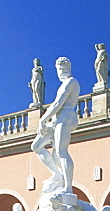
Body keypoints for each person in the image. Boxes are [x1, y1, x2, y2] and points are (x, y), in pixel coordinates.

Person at [30, 57, 80, 193]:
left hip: (66, 117)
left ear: (65, 68)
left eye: (59, 68)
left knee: (61, 151)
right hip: (56, 120)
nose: (59, 72)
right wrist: (48, 121)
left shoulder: (71, 82)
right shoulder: (64, 84)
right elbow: (56, 105)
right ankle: (57, 174)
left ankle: (68, 187)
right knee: (36, 146)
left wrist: (42, 120)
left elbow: (58, 103)